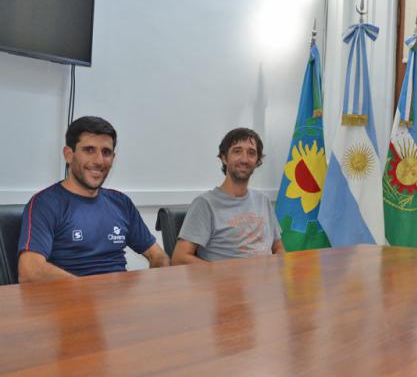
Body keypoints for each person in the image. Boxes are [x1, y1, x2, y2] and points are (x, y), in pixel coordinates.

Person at [17, 116, 170, 283]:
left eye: (106, 152)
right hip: (69, 304)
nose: (98, 161)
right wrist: (89, 294)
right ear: (69, 155)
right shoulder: (45, 204)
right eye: (89, 150)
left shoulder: (121, 203)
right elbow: (30, 271)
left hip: (119, 304)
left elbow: (158, 256)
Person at [171, 128, 284, 264]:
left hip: (266, 282)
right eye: (237, 151)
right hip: (227, 284)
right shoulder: (205, 204)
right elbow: (179, 258)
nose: (244, 159)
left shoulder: (263, 201)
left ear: (257, 161)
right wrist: (224, 276)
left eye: (251, 153)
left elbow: (278, 247)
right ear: (224, 158)